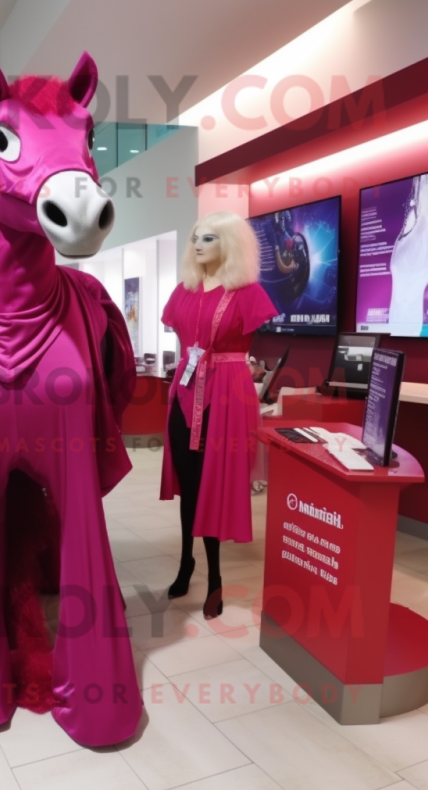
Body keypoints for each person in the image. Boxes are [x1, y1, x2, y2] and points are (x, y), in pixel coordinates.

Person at [160, 211, 278, 618]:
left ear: (229, 244)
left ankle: (214, 578)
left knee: (212, 483)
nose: (197, 245)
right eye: (195, 237)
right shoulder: (184, 290)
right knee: (189, 483)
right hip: (185, 391)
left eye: (208, 238)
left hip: (226, 392)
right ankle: (185, 561)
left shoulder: (248, 293)